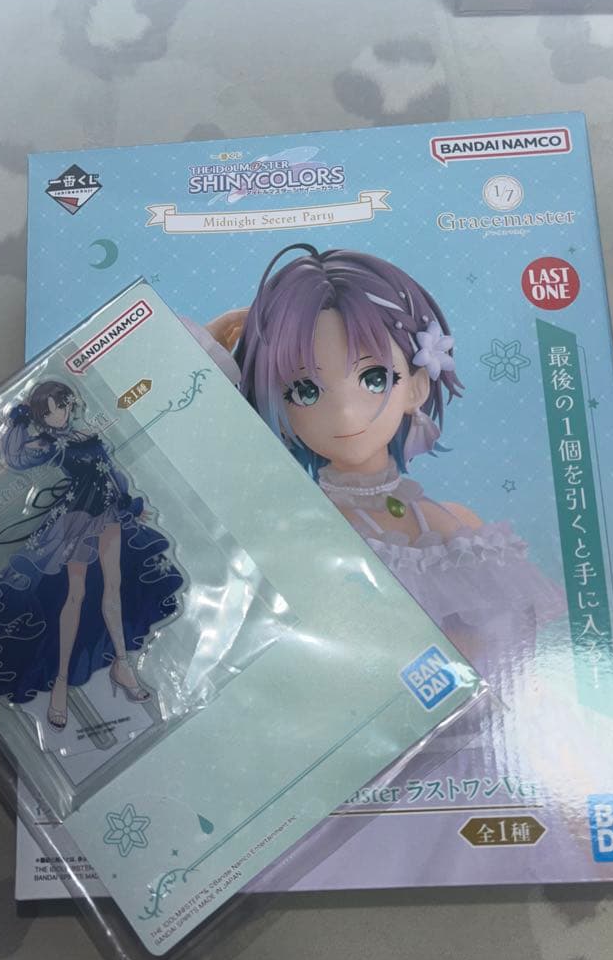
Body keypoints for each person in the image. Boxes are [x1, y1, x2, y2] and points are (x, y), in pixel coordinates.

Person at [214, 244, 565, 686]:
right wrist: (210, 346)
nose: (345, 413)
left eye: (374, 378)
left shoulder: (463, 528)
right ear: (275, 403)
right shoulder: (307, 536)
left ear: (416, 386)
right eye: (305, 390)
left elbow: (520, 661)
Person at [0, 380, 185, 732]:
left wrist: (128, 502)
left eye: (62, 406)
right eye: (51, 411)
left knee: (113, 589)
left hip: (109, 513)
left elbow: (111, 470)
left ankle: (122, 664)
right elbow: (14, 459)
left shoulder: (86, 435)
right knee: (75, 597)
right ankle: (60, 683)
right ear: (41, 417)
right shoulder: (49, 444)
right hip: (77, 520)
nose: (60, 414)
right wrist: (15, 422)